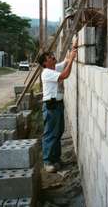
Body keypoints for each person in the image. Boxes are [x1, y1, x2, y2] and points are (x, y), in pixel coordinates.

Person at [38, 41, 77, 173]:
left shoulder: (54, 68)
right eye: (49, 58)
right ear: (45, 63)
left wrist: (74, 46)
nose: (53, 57)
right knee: (50, 134)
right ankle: (48, 161)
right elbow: (65, 75)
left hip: (58, 105)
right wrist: (71, 60)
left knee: (58, 132)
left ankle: (55, 159)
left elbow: (65, 61)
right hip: (51, 106)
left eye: (52, 56)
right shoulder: (47, 72)